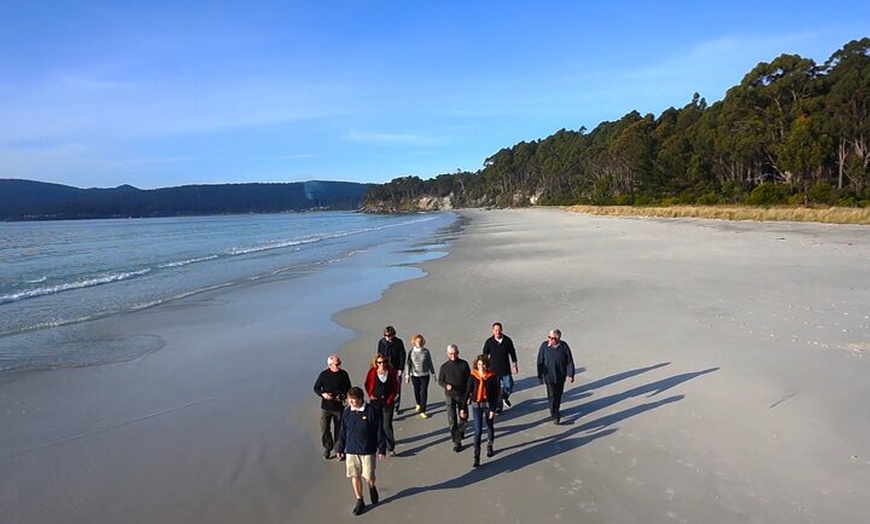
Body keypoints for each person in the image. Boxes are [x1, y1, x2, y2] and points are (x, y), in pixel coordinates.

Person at [337, 387, 387, 516]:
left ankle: (371, 486)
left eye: (354, 401)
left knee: (369, 476)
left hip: (367, 450)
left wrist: (382, 448)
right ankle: (360, 500)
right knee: (355, 475)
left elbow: (379, 430)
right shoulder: (347, 413)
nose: (352, 403)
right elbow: (342, 431)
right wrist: (340, 448)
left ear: (360, 399)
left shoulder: (372, 411)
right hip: (351, 450)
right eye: (350, 401)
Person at [312, 354, 352, 459]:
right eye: (337, 364)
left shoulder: (344, 374)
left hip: (339, 407)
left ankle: (339, 451)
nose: (339, 366)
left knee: (339, 430)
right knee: (325, 429)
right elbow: (316, 388)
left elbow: (348, 388)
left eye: (339, 363)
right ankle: (327, 447)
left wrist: (342, 395)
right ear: (330, 365)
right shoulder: (324, 375)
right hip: (326, 407)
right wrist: (323, 394)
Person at [465, 354, 500, 467]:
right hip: (476, 405)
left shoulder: (492, 376)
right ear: (477, 365)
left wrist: (493, 409)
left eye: (483, 364)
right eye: (479, 364)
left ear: (487, 365)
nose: (482, 366)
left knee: (489, 426)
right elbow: (468, 391)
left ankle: (490, 444)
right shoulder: (473, 376)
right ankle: (476, 456)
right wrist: (462, 407)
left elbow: (496, 394)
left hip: (488, 404)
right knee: (478, 430)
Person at [536, 329, 575, 425]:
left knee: (558, 395)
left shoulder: (564, 346)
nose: (549, 339)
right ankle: (554, 414)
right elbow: (539, 361)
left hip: (560, 376)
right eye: (548, 337)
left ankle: (556, 409)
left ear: (557, 338)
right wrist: (539, 376)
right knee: (552, 395)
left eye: (551, 338)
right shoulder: (544, 346)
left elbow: (569, 361)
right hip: (548, 376)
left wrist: (571, 374)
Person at [364, 354, 400, 456]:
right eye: (379, 362)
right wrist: (370, 395)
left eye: (384, 362)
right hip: (375, 402)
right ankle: (381, 448)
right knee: (378, 425)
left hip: (388, 402)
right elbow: (367, 384)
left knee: (386, 425)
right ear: (376, 363)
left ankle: (391, 447)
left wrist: (390, 399)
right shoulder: (372, 372)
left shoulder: (391, 372)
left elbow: (395, 387)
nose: (382, 364)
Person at [437, 344, 471, 452]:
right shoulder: (444, 367)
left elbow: (469, 381)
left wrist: (469, 395)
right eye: (451, 353)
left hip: (462, 395)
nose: (453, 355)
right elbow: (440, 380)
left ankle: (461, 431)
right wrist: (445, 385)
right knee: (452, 419)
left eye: (455, 353)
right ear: (447, 354)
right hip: (450, 396)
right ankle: (457, 442)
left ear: (458, 352)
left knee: (464, 418)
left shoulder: (464, 364)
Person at [482, 321, 519, 411]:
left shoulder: (507, 340)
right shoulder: (489, 342)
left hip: (505, 369)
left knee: (509, 385)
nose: (497, 332)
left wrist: (515, 365)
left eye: (499, 330)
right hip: (493, 370)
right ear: (493, 331)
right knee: (496, 390)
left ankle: (505, 397)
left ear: (502, 330)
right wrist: (484, 367)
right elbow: (485, 355)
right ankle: (498, 407)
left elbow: (512, 353)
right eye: (495, 330)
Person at [404, 333, 436, 419]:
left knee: (423, 392)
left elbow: (430, 363)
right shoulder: (411, 352)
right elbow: (408, 364)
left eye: (420, 341)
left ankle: (423, 410)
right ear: (414, 342)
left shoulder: (426, 352)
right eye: (417, 341)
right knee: (416, 391)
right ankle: (418, 403)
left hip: (425, 375)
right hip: (414, 375)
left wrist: (433, 373)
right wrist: (407, 376)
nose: (419, 343)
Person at [377, 325, 406, 414]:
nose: (387, 337)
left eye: (389, 335)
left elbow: (402, 355)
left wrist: (401, 369)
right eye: (385, 335)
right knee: (384, 387)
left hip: (396, 368)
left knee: (396, 388)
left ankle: (395, 407)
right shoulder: (381, 342)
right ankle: (386, 405)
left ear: (393, 334)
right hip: (384, 368)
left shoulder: (398, 342)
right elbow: (378, 355)